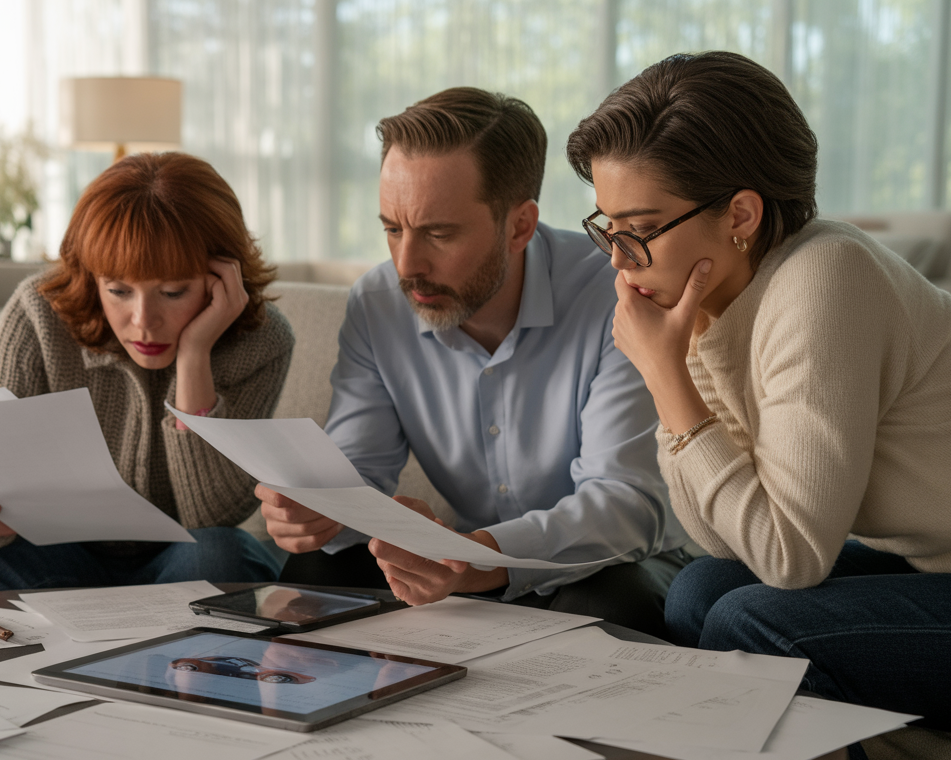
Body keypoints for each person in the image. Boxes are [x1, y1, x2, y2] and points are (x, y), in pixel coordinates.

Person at [565, 50, 951, 760]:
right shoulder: (724, 300)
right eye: (607, 227)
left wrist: (666, 375)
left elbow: (789, 558)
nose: (619, 260)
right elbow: (719, 537)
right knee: (699, 590)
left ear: (740, 215)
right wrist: (685, 356)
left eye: (639, 228)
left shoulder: (826, 277)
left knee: (756, 621)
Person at [255, 87, 693, 637]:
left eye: (438, 233)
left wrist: (475, 557)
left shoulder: (615, 293)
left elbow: (625, 503)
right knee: (315, 569)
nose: (407, 264)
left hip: (624, 561)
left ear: (519, 226)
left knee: (607, 600)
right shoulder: (376, 304)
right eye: (392, 228)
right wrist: (317, 510)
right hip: (466, 561)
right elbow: (357, 469)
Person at [0, 152, 293, 597]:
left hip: (183, 557)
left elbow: (212, 517)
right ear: (92, 278)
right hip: (56, 557)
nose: (143, 320)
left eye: (172, 291)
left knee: (219, 556)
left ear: (221, 277)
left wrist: (194, 358)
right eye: (118, 290)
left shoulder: (261, 339)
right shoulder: (36, 315)